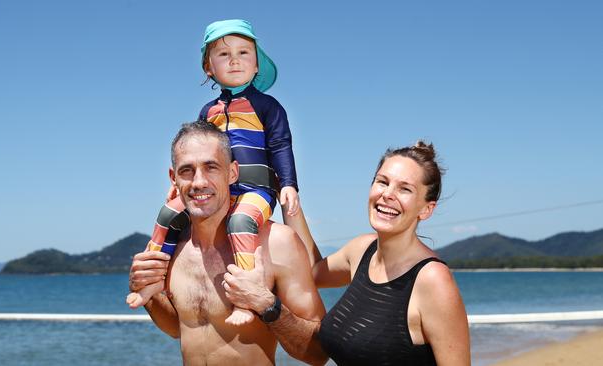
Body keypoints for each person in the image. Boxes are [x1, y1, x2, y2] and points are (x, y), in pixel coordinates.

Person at [227, 141, 470, 365]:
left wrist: (268, 304)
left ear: (426, 210)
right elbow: (311, 271)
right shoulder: (362, 249)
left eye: (405, 189)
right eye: (382, 181)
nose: (387, 194)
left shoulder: (433, 279)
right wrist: (287, 195)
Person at [127, 19, 304, 326]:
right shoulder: (207, 112)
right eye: (223, 54)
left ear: (257, 64)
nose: (235, 60)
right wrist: (176, 190)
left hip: (256, 190)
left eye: (244, 52)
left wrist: (288, 183)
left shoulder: (268, 106)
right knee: (168, 214)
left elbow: (280, 144)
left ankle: (247, 295)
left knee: (241, 221)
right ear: (208, 67)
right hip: (216, 191)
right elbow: (196, 150)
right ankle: (154, 280)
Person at [128, 120, 327, 365]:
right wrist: (148, 292)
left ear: (232, 173)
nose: (199, 182)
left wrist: (267, 306)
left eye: (211, 167)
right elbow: (177, 328)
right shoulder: (173, 248)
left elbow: (318, 353)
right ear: (173, 178)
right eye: (186, 170)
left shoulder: (277, 244)